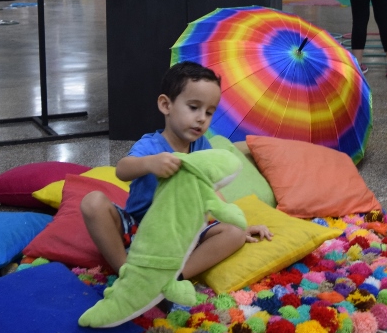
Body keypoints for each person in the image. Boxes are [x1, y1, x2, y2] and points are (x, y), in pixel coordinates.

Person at [80, 61, 272, 278]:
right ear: (166, 105)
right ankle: (127, 274)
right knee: (92, 202)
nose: (202, 118)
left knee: (234, 233)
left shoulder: (202, 147)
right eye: (194, 107)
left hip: (183, 236)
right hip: (139, 231)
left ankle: (174, 279)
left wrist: (238, 223)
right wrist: (150, 163)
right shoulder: (151, 145)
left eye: (209, 112)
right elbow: (122, 170)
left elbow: (211, 191)